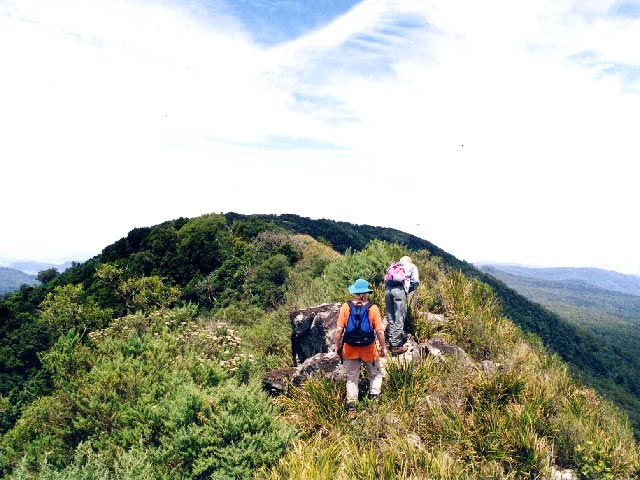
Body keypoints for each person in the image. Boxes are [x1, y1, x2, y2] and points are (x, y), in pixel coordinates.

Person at [335, 278, 387, 419]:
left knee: (352, 379)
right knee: (376, 375)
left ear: (354, 292)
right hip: (369, 349)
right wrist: (383, 348)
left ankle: (352, 409)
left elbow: (339, 330)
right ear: (366, 293)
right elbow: (380, 332)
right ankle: (374, 403)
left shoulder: (346, 307)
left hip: (349, 348)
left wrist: (337, 347)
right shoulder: (373, 308)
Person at [384, 255, 419, 354]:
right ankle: (396, 346)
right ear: (409, 261)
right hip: (400, 290)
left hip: (388, 291)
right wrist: (408, 290)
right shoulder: (412, 266)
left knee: (391, 317)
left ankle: (390, 341)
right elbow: (415, 281)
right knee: (399, 317)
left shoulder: (393, 265)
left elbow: (386, 278)